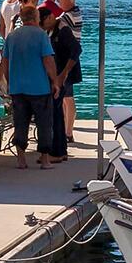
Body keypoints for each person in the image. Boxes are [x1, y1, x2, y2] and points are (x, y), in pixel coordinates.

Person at [0, 3, 60, 168]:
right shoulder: (41, 35)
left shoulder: (12, 36)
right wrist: (55, 81)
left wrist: (10, 82)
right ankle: (45, 158)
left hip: (18, 87)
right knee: (44, 123)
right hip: (39, 87)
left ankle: (21, 158)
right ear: (36, 18)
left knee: (20, 123)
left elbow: (5, 62)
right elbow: (48, 60)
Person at [46, 11, 81, 159]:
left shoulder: (63, 30)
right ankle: (61, 150)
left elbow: (77, 50)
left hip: (62, 76)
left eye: (42, 22)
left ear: (49, 17)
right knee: (58, 112)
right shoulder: (50, 30)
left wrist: (64, 74)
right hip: (56, 76)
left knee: (56, 112)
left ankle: (58, 150)